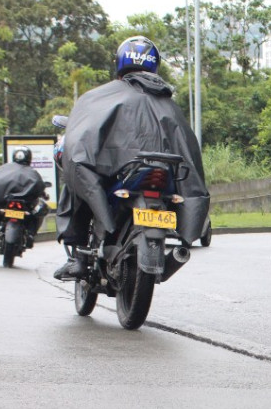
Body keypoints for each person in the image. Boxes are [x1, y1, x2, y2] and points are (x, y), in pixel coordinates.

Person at [53, 35, 210, 281]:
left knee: (76, 178)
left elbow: (80, 141)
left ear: (120, 64)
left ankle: (79, 257)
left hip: (124, 173)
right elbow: (189, 150)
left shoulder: (100, 97)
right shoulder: (169, 104)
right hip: (163, 173)